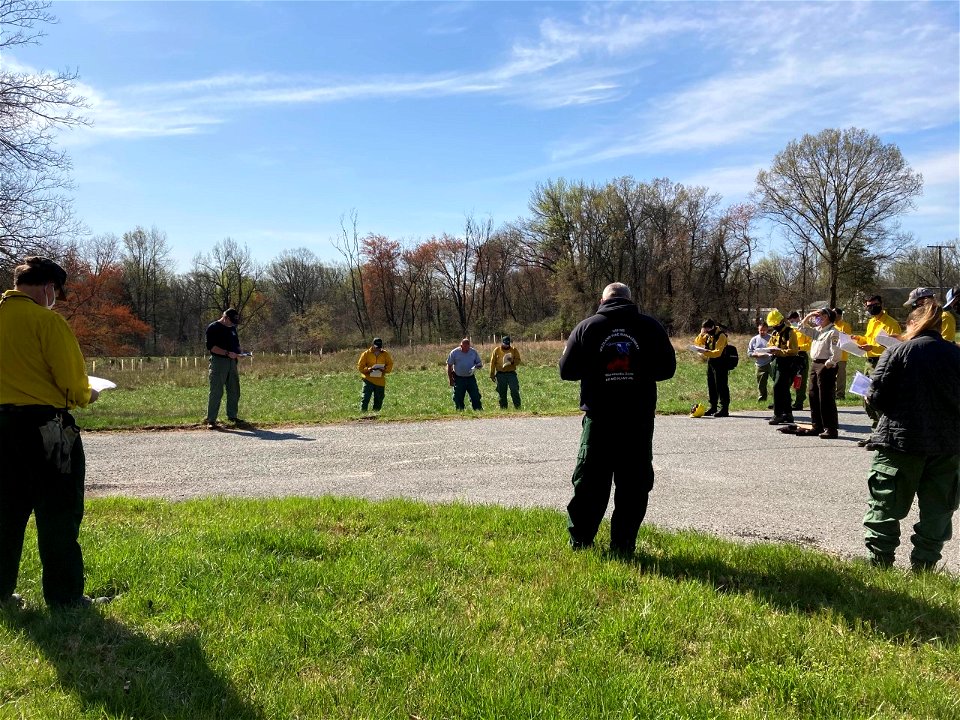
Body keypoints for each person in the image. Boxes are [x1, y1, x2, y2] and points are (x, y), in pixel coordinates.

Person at [0, 257, 107, 608]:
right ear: (49, 288)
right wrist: (88, 393)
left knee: (5, 515)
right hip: (45, 430)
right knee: (58, 513)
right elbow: (73, 386)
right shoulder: (47, 321)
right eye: (56, 293)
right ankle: (65, 598)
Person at [559, 282, 676, 554]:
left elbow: (566, 370)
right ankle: (623, 545)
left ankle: (581, 542)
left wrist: (594, 366)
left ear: (603, 300)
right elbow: (667, 369)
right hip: (638, 420)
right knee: (633, 485)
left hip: (599, 419)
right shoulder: (651, 327)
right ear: (629, 299)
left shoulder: (587, 327)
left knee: (590, 482)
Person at [862, 303, 960, 571]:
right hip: (947, 446)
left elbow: (877, 396)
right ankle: (924, 567)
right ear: (940, 328)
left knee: (885, 505)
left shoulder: (897, 350)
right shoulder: (956, 355)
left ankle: (879, 565)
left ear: (911, 325)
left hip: (900, 443)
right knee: (938, 511)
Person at [851, 295, 901, 444]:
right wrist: (859, 339)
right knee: (865, 397)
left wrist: (873, 347)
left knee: (877, 398)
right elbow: (869, 339)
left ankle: (883, 434)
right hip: (869, 362)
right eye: (869, 306)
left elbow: (895, 344)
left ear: (881, 304)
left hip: (883, 362)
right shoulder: (871, 322)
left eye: (875, 304)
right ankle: (875, 431)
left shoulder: (891, 323)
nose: (872, 308)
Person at [794, 308, 842, 438]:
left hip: (825, 365)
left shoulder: (833, 332)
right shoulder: (818, 331)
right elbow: (801, 328)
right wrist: (808, 315)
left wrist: (829, 364)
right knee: (813, 394)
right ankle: (817, 426)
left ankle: (830, 428)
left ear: (827, 317)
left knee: (825, 397)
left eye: (820, 315)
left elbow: (836, 352)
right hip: (815, 364)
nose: (817, 318)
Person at [204, 308, 246, 428]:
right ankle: (211, 420)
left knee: (234, 390)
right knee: (216, 391)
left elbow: (236, 344)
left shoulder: (232, 328)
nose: (233, 324)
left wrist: (240, 353)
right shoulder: (213, 327)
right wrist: (227, 353)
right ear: (225, 317)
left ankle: (232, 416)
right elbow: (212, 347)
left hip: (232, 362)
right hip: (219, 362)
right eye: (231, 321)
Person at [764, 309, 799, 425]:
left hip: (787, 363)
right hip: (776, 362)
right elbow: (770, 344)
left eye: (775, 325)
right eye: (772, 325)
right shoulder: (775, 333)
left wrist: (780, 352)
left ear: (780, 322)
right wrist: (770, 349)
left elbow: (793, 350)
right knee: (784, 389)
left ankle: (778, 414)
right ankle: (788, 414)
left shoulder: (790, 332)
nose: (774, 327)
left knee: (778, 387)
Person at [693, 319, 730, 417]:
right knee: (711, 385)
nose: (706, 331)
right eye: (704, 329)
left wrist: (704, 352)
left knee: (721, 385)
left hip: (721, 362)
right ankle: (713, 406)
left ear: (713, 327)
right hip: (711, 362)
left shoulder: (721, 336)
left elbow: (718, 352)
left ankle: (724, 408)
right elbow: (698, 342)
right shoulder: (708, 335)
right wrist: (701, 334)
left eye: (707, 329)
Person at [357, 337, 394, 412]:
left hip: (380, 380)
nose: (378, 349)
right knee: (365, 397)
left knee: (379, 398)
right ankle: (363, 413)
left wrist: (384, 369)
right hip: (368, 379)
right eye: (376, 347)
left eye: (379, 347)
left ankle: (376, 414)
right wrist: (368, 369)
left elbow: (390, 365)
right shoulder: (365, 354)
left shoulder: (385, 354)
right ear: (373, 345)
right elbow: (360, 367)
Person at [447, 337, 483, 411]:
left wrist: (478, 366)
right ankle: (460, 410)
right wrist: (451, 379)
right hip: (459, 378)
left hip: (471, 378)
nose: (466, 349)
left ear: (469, 346)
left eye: (467, 347)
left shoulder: (473, 352)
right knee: (458, 396)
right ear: (461, 346)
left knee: (475, 395)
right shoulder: (454, 353)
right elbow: (449, 365)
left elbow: (479, 363)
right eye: (464, 347)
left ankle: (478, 410)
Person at [489, 335, 521, 409]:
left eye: (508, 344)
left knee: (514, 389)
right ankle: (503, 409)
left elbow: (518, 360)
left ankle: (518, 407)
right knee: (502, 392)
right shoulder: (496, 350)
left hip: (511, 373)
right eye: (505, 344)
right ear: (502, 343)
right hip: (500, 374)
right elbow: (492, 362)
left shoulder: (514, 350)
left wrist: (512, 361)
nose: (506, 345)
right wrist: (492, 374)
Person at [787, 310, 809, 411]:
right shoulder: (789, 330)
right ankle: (787, 401)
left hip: (801, 355)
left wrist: (799, 347)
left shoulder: (806, 329)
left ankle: (799, 402)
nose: (792, 322)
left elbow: (810, 344)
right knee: (788, 379)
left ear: (797, 318)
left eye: (793, 320)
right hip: (790, 356)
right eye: (790, 321)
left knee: (800, 380)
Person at [747, 321, 772, 403]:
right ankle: (762, 399)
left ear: (767, 329)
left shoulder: (772, 338)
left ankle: (779, 399)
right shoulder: (754, 339)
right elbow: (749, 353)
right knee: (761, 383)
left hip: (771, 363)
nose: (762, 332)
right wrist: (757, 355)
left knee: (777, 381)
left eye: (764, 330)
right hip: (760, 364)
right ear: (758, 329)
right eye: (761, 330)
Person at [832, 307, 851, 400]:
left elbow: (847, 339)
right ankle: (831, 393)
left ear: (839, 315)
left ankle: (840, 394)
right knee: (831, 375)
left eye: (835, 314)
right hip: (831, 355)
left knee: (840, 376)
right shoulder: (830, 325)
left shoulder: (845, 325)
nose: (833, 316)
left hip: (841, 356)